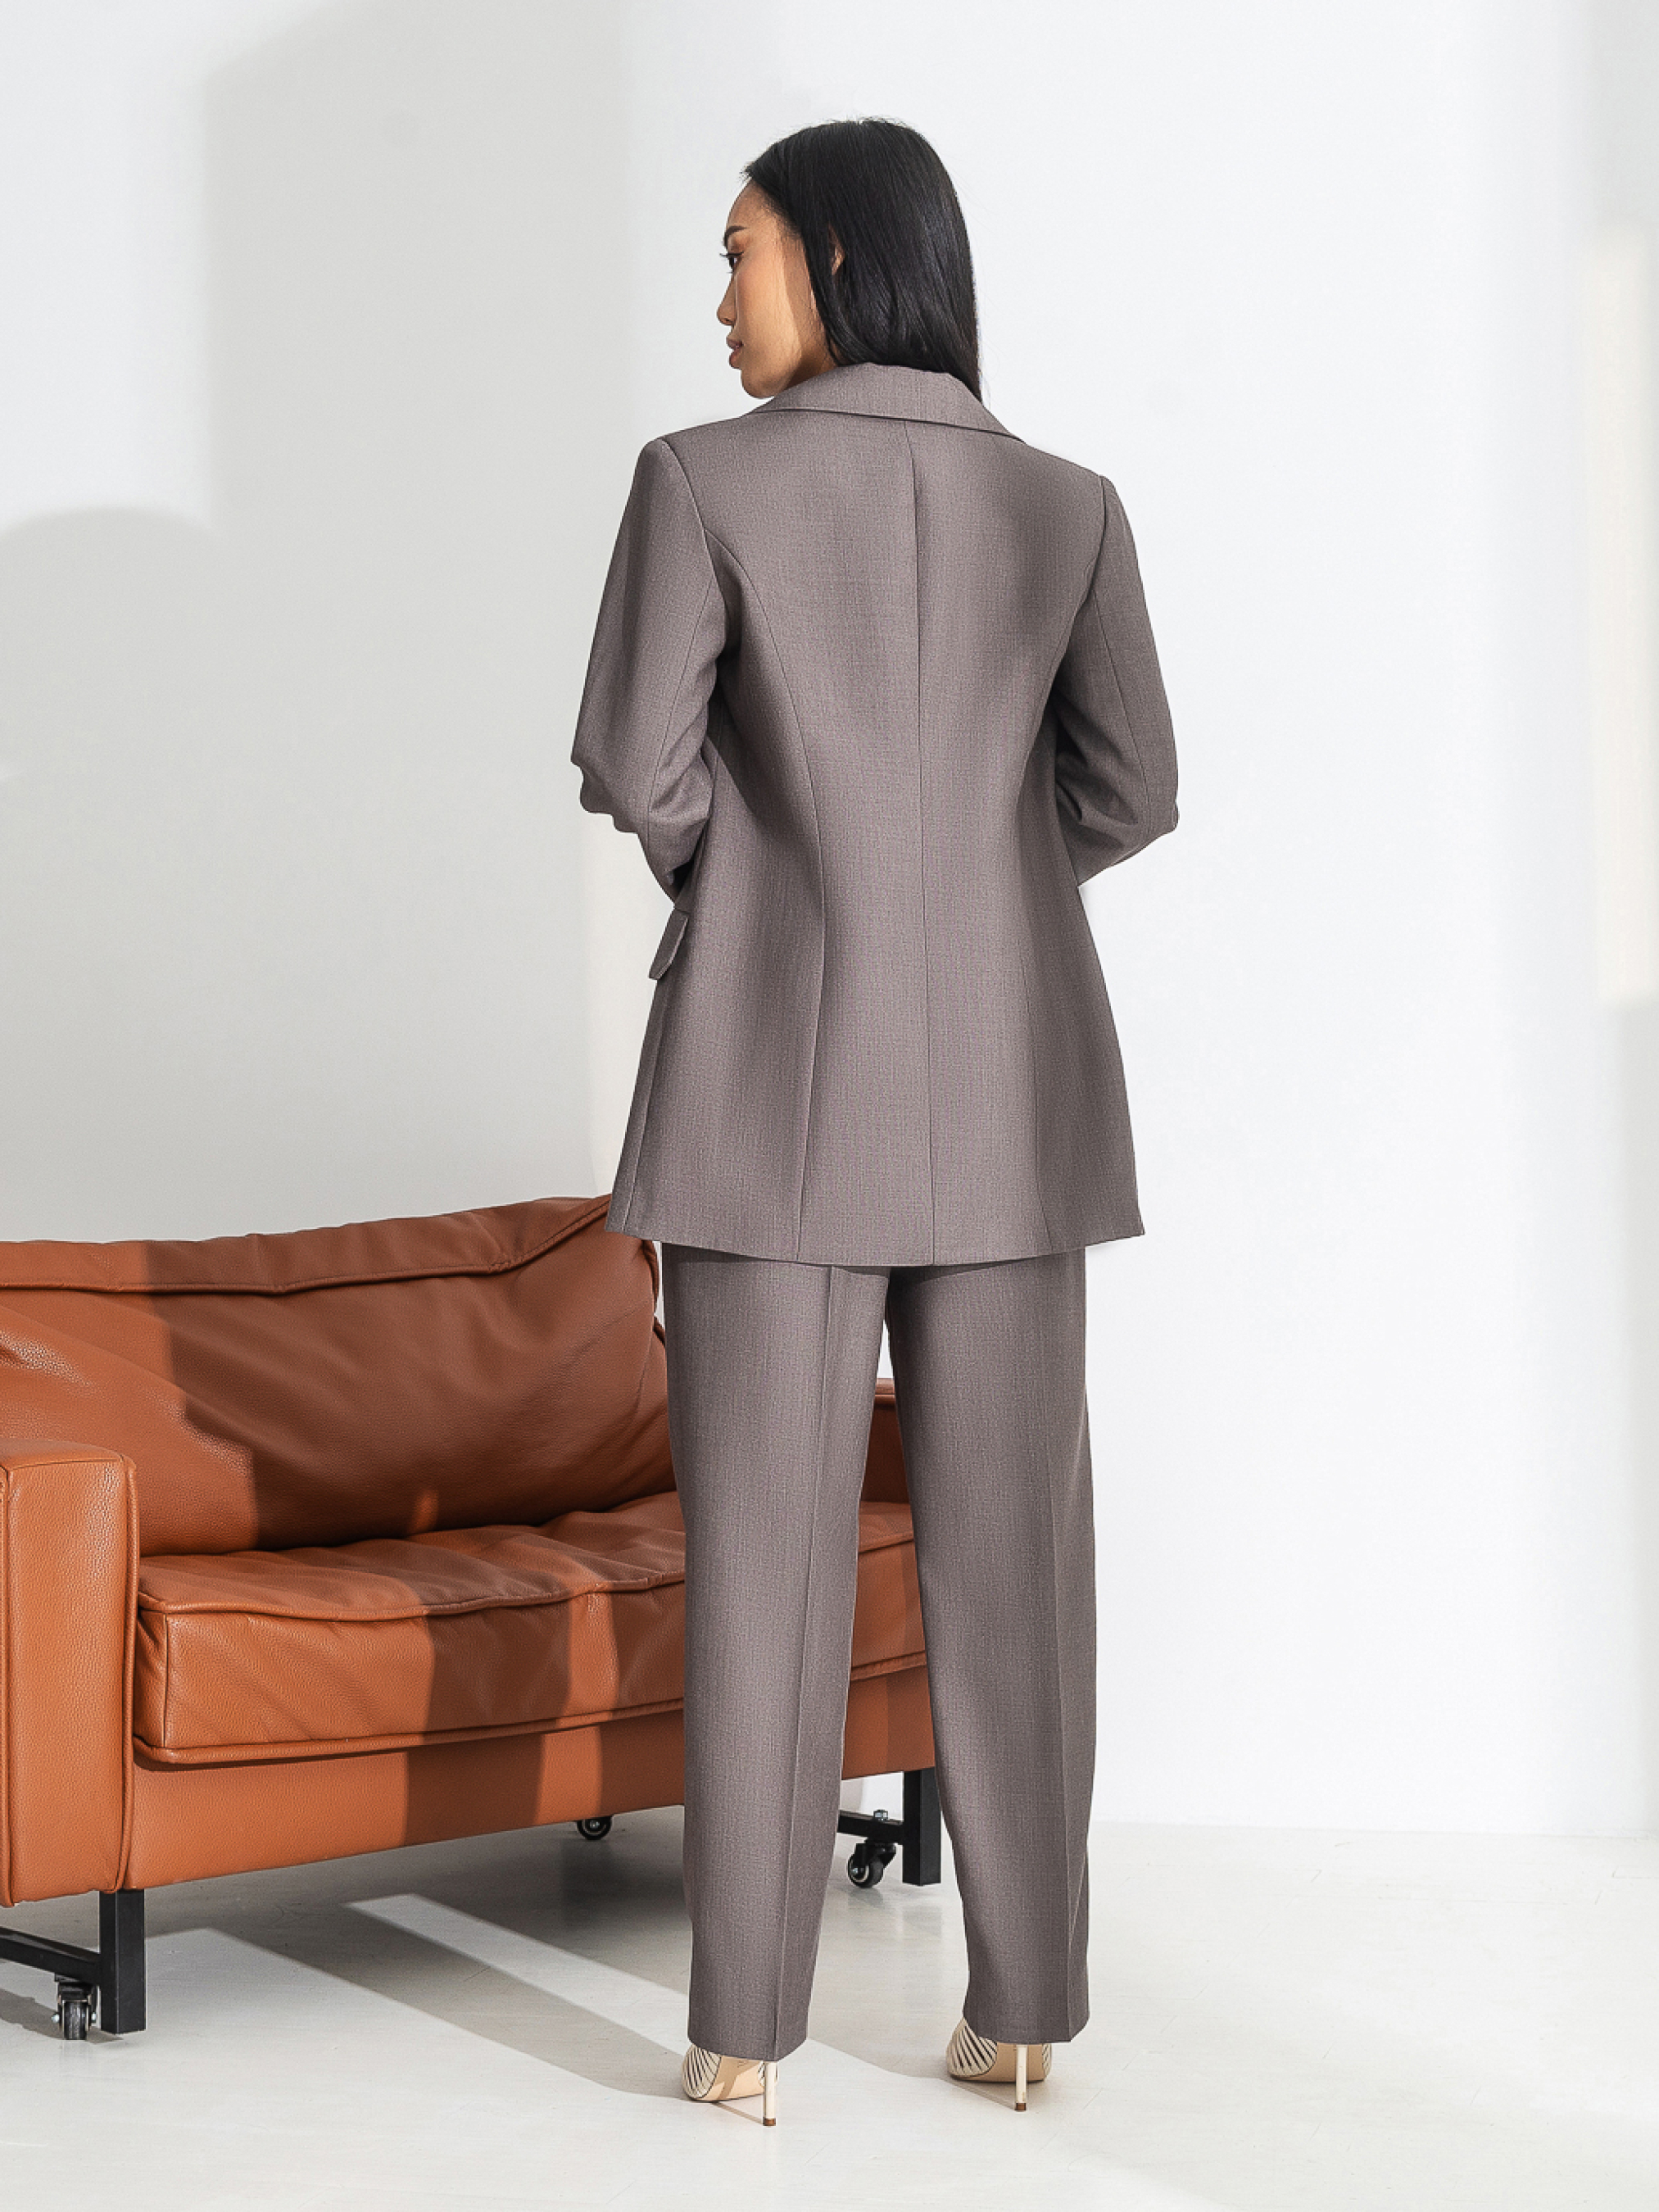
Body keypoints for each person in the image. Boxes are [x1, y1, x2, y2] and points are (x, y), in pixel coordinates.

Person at [570, 116, 1177, 2124]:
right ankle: (1026, 2011)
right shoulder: (1067, 505)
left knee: (763, 1566)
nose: (717, 297)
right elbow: (1129, 787)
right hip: (1012, 1096)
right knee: (1015, 1565)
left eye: (738, 251)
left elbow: (637, 763)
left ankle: (740, 2035)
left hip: (765, 1093)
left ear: (835, 257)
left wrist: (762, 895)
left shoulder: (698, 480)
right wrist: (969, 899)